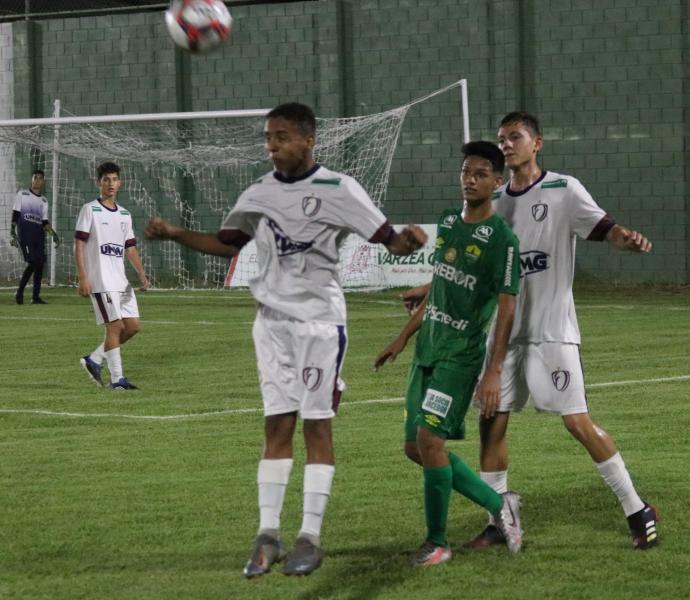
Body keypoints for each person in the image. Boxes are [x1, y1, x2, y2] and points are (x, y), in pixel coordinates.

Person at [144, 102, 428, 579]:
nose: (271, 146)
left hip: (318, 325)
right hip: (270, 326)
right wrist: (174, 233)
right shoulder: (258, 192)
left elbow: (389, 240)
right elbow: (227, 242)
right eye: (268, 138)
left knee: (317, 426)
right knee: (275, 426)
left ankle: (309, 538)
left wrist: (409, 240)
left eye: (280, 137)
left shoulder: (339, 189)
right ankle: (267, 535)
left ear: (307, 140)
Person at [403, 111, 658, 551]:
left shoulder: (564, 190)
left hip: (552, 333)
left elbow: (605, 229)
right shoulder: (495, 199)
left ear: (536, 143)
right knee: (491, 423)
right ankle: (498, 520)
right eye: (501, 138)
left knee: (577, 423)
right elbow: (475, 265)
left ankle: (637, 508)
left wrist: (626, 239)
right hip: (501, 337)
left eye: (515, 137)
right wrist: (432, 285)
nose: (506, 144)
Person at [373, 141, 523, 566]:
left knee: (430, 440)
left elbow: (507, 308)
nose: (470, 179)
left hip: (460, 357)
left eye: (480, 174)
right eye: (465, 172)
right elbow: (439, 286)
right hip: (427, 351)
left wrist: (494, 371)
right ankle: (500, 505)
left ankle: (437, 542)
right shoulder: (447, 222)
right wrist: (402, 338)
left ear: (497, 182)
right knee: (414, 448)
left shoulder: (502, 241)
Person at [74, 161, 149, 390]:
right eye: (106, 179)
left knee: (133, 326)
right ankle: (117, 380)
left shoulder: (125, 215)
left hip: (121, 281)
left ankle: (95, 359)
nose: (111, 183)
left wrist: (141, 273)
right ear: (99, 183)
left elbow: (130, 247)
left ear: (120, 183)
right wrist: (83, 277)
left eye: (114, 179)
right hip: (101, 280)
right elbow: (79, 244)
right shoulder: (90, 210)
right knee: (114, 327)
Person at [10, 169, 60, 304]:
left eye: (40, 178)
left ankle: (35, 297)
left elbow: (44, 222)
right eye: (35, 178)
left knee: (39, 265)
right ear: (31, 179)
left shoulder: (44, 200)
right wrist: (12, 231)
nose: (37, 180)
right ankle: (19, 292)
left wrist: (53, 234)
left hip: (39, 237)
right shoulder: (22, 194)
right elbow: (15, 214)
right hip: (26, 236)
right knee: (32, 263)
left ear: (43, 181)